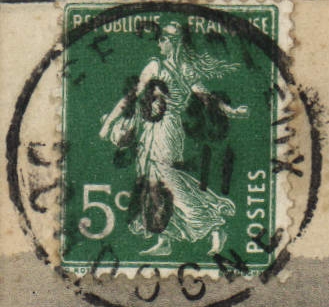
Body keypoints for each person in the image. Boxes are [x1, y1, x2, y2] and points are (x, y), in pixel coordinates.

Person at [98, 21, 248, 256]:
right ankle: (165, 239)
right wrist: (109, 124)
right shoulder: (157, 66)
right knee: (153, 183)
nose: (159, 44)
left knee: (168, 181)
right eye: (159, 39)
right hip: (152, 128)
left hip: (166, 130)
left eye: (163, 40)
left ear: (173, 43)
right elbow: (133, 96)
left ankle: (214, 226)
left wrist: (231, 111)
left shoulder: (177, 68)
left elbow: (206, 97)